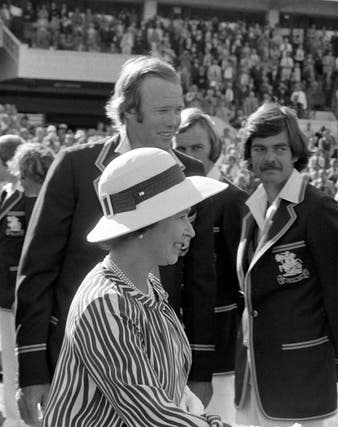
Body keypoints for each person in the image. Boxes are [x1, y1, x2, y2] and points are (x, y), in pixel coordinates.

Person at [15, 56, 218, 425]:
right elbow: (37, 272)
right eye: (162, 110)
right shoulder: (75, 166)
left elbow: (200, 281)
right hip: (80, 358)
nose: (174, 122)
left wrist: (199, 369)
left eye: (178, 109)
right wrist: (31, 368)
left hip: (158, 367)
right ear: (128, 110)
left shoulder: (189, 172)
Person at [41, 147, 228, 426]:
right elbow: (151, 415)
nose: (190, 230)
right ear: (144, 224)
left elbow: (165, 388)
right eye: (180, 217)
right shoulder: (106, 303)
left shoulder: (147, 286)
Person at [235, 103, 338, 426]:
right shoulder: (251, 209)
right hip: (252, 374)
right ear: (249, 155)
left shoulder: (318, 209)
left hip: (301, 373)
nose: (269, 158)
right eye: (259, 149)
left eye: (279, 148)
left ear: (295, 153)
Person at [175, 108, 248, 421]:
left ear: (214, 150)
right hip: (176, 338)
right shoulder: (171, 197)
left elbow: (240, 277)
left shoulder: (233, 199)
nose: (189, 156)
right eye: (182, 148)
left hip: (218, 341)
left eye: (197, 148)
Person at [0, 141, 54, 427]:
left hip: (20, 296)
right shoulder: (12, 196)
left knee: (20, 362)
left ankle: (19, 419)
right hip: (12, 295)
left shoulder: (37, 201)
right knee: (13, 361)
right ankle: (14, 418)